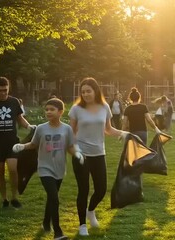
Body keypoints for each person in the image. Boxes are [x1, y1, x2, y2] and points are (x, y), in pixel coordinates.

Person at [12, 98, 83, 240]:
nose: (48, 112)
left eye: (52, 109)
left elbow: (69, 146)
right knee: (55, 199)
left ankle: (45, 223)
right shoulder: (41, 128)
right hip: (44, 168)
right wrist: (22, 146)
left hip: (59, 169)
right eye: (47, 109)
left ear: (61, 112)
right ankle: (58, 232)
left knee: (52, 197)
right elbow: (33, 144)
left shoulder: (66, 129)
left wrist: (77, 154)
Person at [68, 77, 128, 236]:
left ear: (95, 91)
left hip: (99, 153)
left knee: (101, 189)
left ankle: (91, 210)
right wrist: (74, 150)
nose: (85, 94)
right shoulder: (76, 109)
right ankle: (82, 225)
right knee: (84, 189)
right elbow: (70, 133)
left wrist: (123, 133)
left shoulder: (104, 107)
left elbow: (108, 129)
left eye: (88, 91)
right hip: (81, 154)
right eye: (83, 92)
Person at [0, 77, 35, 208]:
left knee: (13, 169)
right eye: (0, 90)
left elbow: (20, 118)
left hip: (12, 142)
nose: (3, 93)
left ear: (8, 88)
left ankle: (14, 197)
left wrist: (29, 127)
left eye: (5, 90)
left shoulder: (14, 102)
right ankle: (4, 198)